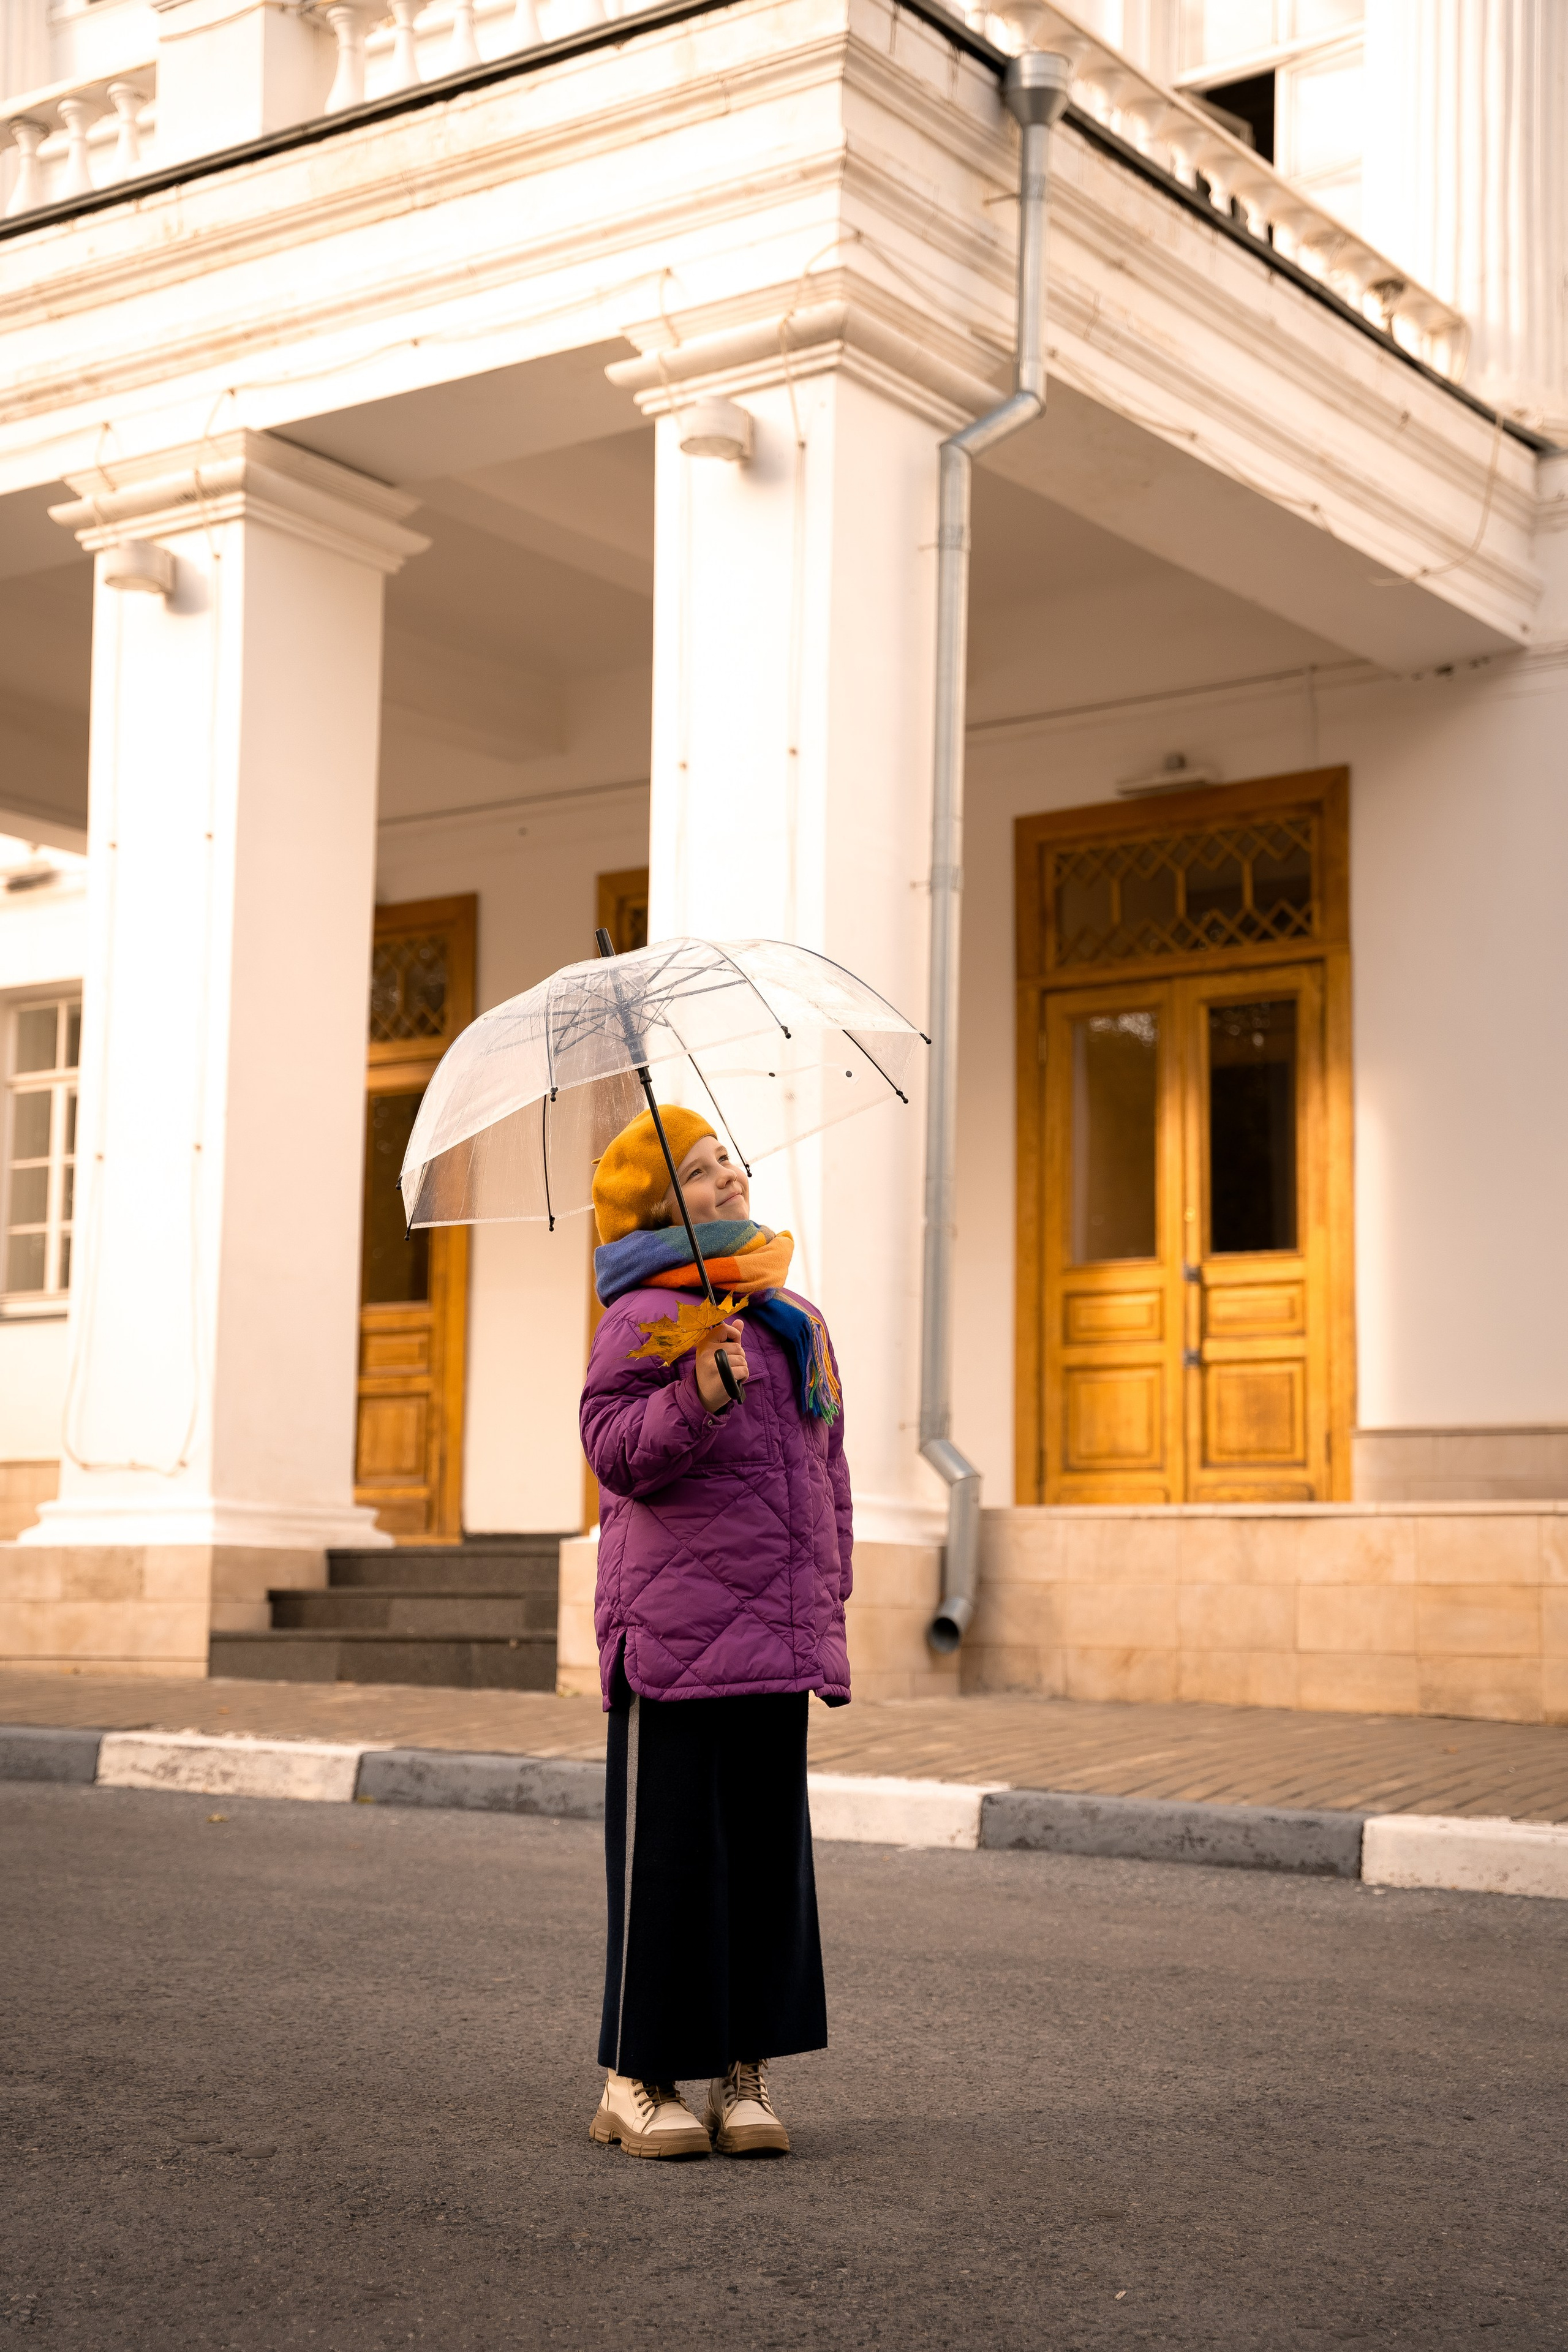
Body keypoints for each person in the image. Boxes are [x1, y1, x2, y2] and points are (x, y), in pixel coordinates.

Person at [579, 1106, 853, 2160]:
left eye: (727, 1162)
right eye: (698, 1174)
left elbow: (825, 1472)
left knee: (766, 1857)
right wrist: (694, 1390)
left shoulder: (790, 1319)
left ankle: (744, 2070)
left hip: (777, 1629)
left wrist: (828, 1593)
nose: (729, 1180)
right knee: (673, 1861)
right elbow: (615, 1454)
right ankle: (637, 2075)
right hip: (677, 1632)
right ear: (657, 1207)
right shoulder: (644, 1317)